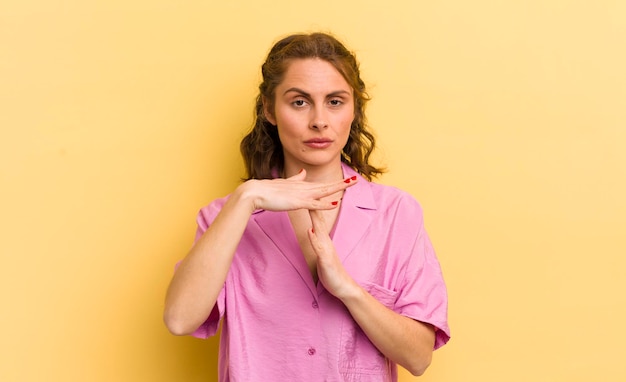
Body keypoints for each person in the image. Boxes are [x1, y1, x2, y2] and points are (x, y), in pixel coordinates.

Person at [164, 32, 450, 382]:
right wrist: (247, 198)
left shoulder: (396, 213)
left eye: (335, 101)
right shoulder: (226, 216)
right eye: (299, 102)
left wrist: (348, 289)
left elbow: (418, 358)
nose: (319, 121)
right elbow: (180, 319)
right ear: (269, 109)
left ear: (354, 109)